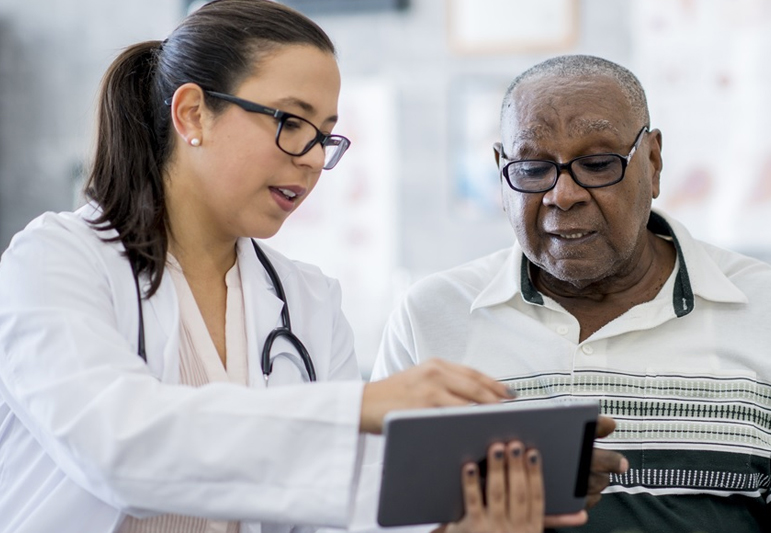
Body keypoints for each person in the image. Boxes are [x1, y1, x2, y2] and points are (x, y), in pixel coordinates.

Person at [0, 2, 592, 532]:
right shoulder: (55, 261)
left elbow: (337, 509)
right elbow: (115, 445)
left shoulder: (306, 301)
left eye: (326, 136)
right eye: (290, 122)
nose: (311, 160)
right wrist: (356, 409)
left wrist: (460, 522)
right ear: (193, 115)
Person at [372, 54, 771, 532]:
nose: (563, 194)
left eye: (599, 163)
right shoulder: (431, 318)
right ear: (501, 172)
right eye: (533, 168)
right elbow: (373, 516)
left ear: (653, 160)